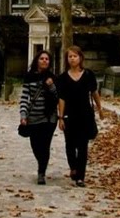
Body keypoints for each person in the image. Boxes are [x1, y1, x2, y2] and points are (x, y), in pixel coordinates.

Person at [56, 45, 102, 187]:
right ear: (67, 59)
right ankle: (73, 167)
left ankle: (80, 176)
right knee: (70, 144)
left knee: (83, 146)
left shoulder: (88, 75)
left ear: (80, 58)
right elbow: (61, 98)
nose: (72, 59)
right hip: (70, 115)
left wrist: (100, 108)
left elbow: (94, 93)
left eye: (75, 56)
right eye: (70, 56)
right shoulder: (63, 78)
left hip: (85, 115)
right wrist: (61, 117)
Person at [18, 50, 58, 185]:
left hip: (49, 117)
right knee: (36, 146)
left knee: (45, 146)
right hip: (33, 117)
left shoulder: (52, 77)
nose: (44, 61)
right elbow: (24, 98)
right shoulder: (29, 77)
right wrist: (23, 115)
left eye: (47, 59)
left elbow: (58, 97)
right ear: (37, 60)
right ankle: (41, 163)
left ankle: (41, 173)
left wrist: (51, 85)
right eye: (42, 58)